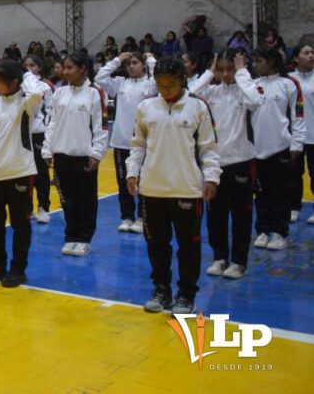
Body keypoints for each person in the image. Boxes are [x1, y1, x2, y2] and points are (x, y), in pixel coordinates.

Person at [127, 56, 221, 315]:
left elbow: (209, 148)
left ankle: (186, 294)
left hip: (187, 189)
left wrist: (212, 177)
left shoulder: (198, 107)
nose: (165, 90)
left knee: (188, 246)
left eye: (170, 84)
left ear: (183, 80)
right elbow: (137, 145)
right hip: (152, 189)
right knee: (157, 244)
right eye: (160, 84)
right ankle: (161, 289)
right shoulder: (146, 108)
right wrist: (132, 173)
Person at [0, 60, 45, 288]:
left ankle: (18, 268)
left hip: (20, 172)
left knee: (20, 224)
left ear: (15, 81)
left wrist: (25, 73)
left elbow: (39, 90)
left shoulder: (27, 103)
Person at [191, 51, 261, 279]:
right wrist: (209, 72)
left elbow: (255, 100)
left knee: (241, 215)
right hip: (214, 164)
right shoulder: (212, 92)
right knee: (215, 215)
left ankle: (239, 261)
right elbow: (191, 94)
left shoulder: (245, 90)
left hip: (241, 162)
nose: (225, 74)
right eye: (221, 69)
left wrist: (242, 72)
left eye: (229, 69)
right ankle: (220, 257)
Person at [42, 53, 108, 256]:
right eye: (64, 67)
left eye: (70, 67)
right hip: (62, 155)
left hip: (84, 157)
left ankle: (84, 238)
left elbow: (101, 126)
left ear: (83, 69)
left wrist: (96, 153)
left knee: (86, 200)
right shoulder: (59, 93)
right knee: (66, 200)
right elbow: (52, 124)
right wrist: (47, 149)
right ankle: (70, 236)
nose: (66, 71)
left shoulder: (95, 93)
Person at [95, 51, 157, 233]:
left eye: (135, 63)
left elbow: (159, 74)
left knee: (144, 181)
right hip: (121, 142)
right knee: (123, 182)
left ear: (143, 65)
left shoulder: (150, 84)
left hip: (144, 142)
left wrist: (151, 59)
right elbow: (100, 77)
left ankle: (142, 217)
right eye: (128, 63)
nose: (131, 66)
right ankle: (127, 217)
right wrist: (117, 60)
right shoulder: (120, 83)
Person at [250, 49, 306, 251]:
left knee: (280, 193)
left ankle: (279, 232)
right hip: (257, 149)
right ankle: (263, 230)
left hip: (281, 148)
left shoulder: (288, 84)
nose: (254, 65)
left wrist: (296, 143)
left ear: (271, 61)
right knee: (261, 193)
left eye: (258, 61)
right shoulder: (253, 86)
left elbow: (297, 115)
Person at [23, 54, 57, 223]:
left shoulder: (46, 86)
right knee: (25, 173)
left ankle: (44, 207)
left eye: (32, 65)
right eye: (26, 65)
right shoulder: (20, 85)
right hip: (23, 134)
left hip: (40, 134)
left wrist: (49, 134)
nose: (29, 68)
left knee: (41, 172)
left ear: (39, 67)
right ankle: (27, 208)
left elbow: (51, 111)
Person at [288, 43, 314, 224]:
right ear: (296, 58)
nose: (311, 56)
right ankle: (294, 207)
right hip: (294, 136)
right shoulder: (288, 80)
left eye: (313, 53)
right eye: (306, 53)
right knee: (293, 174)